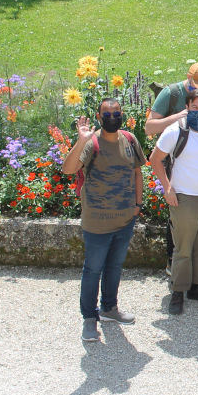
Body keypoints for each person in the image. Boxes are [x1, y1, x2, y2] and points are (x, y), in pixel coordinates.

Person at [63, 100, 145, 342]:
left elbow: (138, 172)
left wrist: (137, 206)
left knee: (114, 267)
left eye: (116, 112)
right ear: (99, 116)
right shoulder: (92, 142)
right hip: (97, 223)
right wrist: (81, 140)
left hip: (124, 220)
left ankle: (109, 308)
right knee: (92, 270)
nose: (112, 116)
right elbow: (68, 169)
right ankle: (89, 318)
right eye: (107, 113)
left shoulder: (129, 139)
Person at [149, 89, 198, 316]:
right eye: (195, 108)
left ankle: (196, 286)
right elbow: (155, 159)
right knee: (182, 247)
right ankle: (178, 290)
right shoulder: (175, 131)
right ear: (187, 107)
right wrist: (167, 187)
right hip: (184, 197)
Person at [145, 61, 198, 275]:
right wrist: (178, 118)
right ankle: (174, 263)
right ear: (188, 79)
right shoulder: (170, 93)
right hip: (175, 159)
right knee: (176, 216)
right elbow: (149, 128)